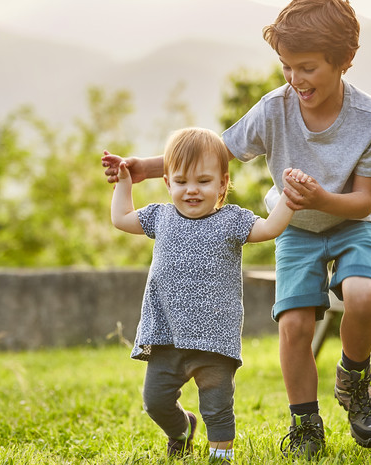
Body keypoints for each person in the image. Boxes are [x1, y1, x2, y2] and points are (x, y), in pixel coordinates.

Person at [103, 0, 371, 457]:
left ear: (344, 61)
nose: (295, 80)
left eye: (307, 68)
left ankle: (353, 381)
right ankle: (306, 424)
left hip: (353, 220)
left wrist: (319, 199)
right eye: (286, 67)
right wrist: (144, 167)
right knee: (295, 324)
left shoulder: (369, 118)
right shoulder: (274, 108)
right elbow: (219, 153)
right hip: (294, 224)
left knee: (362, 294)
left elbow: (361, 201)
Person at [110, 127, 309, 462]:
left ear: (222, 184)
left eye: (203, 181)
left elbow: (270, 228)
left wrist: (288, 200)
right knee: (155, 400)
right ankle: (181, 431)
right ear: (168, 183)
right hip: (165, 336)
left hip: (215, 339)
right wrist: (124, 182)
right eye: (182, 181)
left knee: (217, 407)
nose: (192, 190)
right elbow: (121, 218)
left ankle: (220, 457)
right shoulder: (160, 216)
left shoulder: (232, 220)